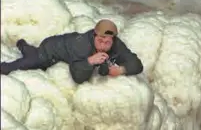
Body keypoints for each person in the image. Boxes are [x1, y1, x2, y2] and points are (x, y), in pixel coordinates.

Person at [0, 19, 143, 84]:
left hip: (64, 44)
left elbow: (137, 64)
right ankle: (23, 47)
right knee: (30, 62)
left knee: (32, 54)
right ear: (94, 35)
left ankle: (23, 45)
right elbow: (78, 77)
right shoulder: (81, 45)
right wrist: (90, 61)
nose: (104, 45)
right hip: (51, 50)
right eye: (101, 40)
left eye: (108, 42)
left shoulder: (116, 43)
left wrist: (121, 70)